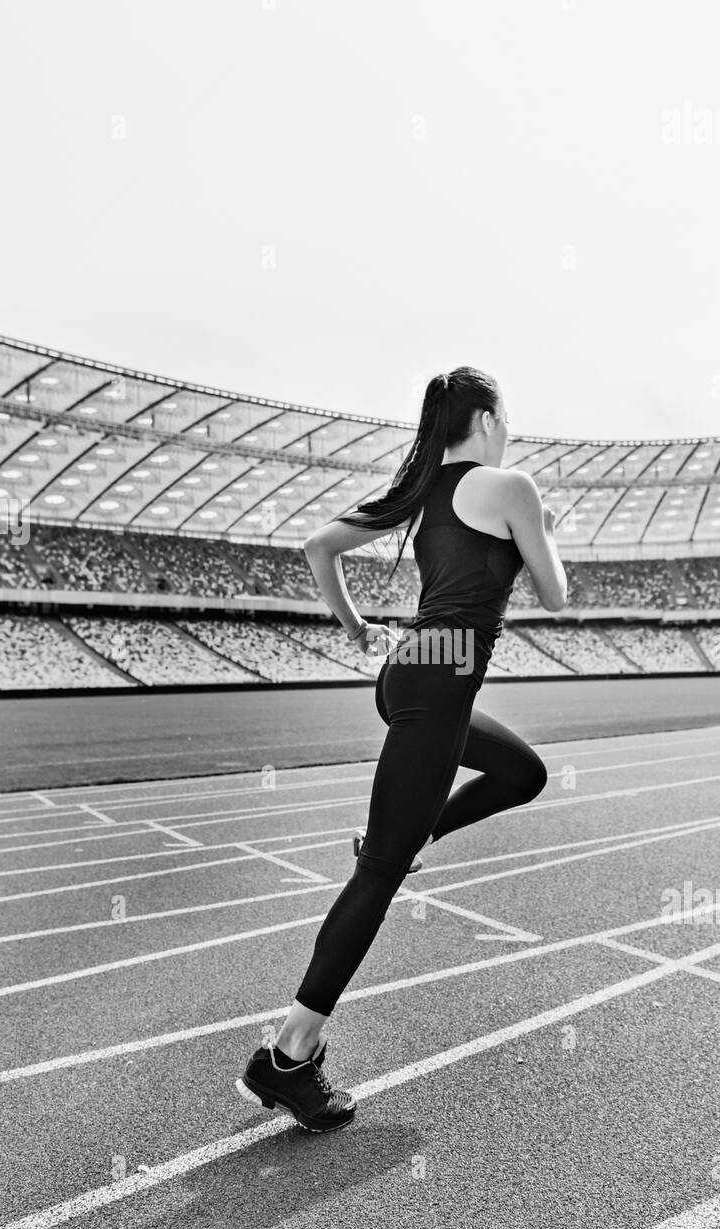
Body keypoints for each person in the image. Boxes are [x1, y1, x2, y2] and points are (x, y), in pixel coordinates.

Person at [236, 367, 568, 1131]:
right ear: (485, 418)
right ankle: (288, 1057)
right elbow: (555, 594)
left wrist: (354, 630)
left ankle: (415, 833)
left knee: (522, 771)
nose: (509, 429)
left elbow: (319, 546)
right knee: (377, 877)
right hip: (436, 687)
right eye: (505, 416)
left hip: (411, 676)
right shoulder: (510, 484)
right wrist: (546, 536)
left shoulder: (422, 489)